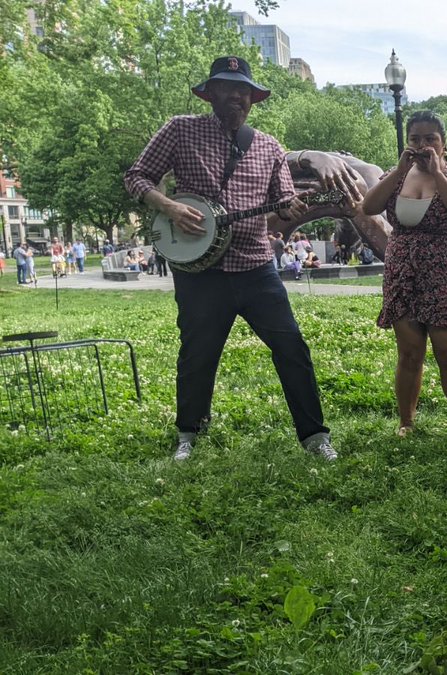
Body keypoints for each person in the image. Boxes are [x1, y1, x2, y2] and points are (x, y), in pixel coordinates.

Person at [124, 55, 338, 462]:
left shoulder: (269, 146)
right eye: (227, 88)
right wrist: (168, 207)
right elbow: (137, 176)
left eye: (244, 91)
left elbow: (282, 205)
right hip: (200, 271)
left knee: (292, 347)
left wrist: (292, 209)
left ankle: (314, 436)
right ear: (211, 93)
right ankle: (189, 433)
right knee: (197, 353)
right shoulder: (179, 130)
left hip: (256, 267)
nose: (236, 97)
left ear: (252, 99)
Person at [362, 110, 447, 436]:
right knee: (408, 352)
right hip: (404, 270)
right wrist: (398, 171)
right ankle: (406, 421)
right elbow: (368, 206)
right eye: (415, 139)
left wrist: (438, 174)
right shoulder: (397, 176)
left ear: (443, 144)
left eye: (430, 138)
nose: (422, 145)